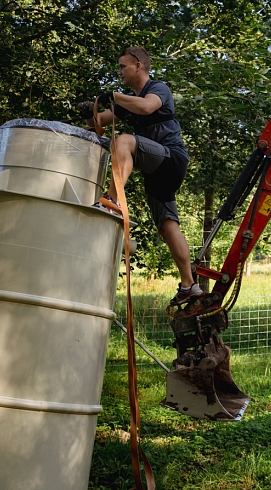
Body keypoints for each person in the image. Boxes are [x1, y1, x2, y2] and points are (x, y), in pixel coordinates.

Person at [78, 47, 202, 305]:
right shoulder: (127, 104)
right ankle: (189, 285)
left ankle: (112, 202)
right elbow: (100, 122)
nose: (120, 71)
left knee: (124, 141)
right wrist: (89, 114)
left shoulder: (158, 89)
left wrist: (114, 96)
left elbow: (146, 108)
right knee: (168, 227)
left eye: (123, 66)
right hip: (157, 173)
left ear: (138, 66)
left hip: (171, 158)